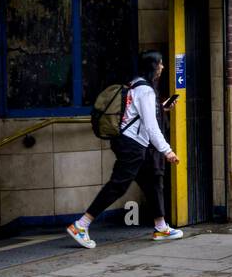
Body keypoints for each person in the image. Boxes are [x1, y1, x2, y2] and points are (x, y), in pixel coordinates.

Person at [66, 51, 182, 249]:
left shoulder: (134, 84)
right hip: (132, 145)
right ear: (152, 66)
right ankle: (81, 225)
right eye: (160, 64)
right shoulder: (145, 90)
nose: (162, 67)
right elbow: (151, 126)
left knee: (153, 179)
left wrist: (161, 107)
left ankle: (161, 227)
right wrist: (167, 151)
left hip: (131, 143)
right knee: (118, 185)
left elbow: (136, 114)